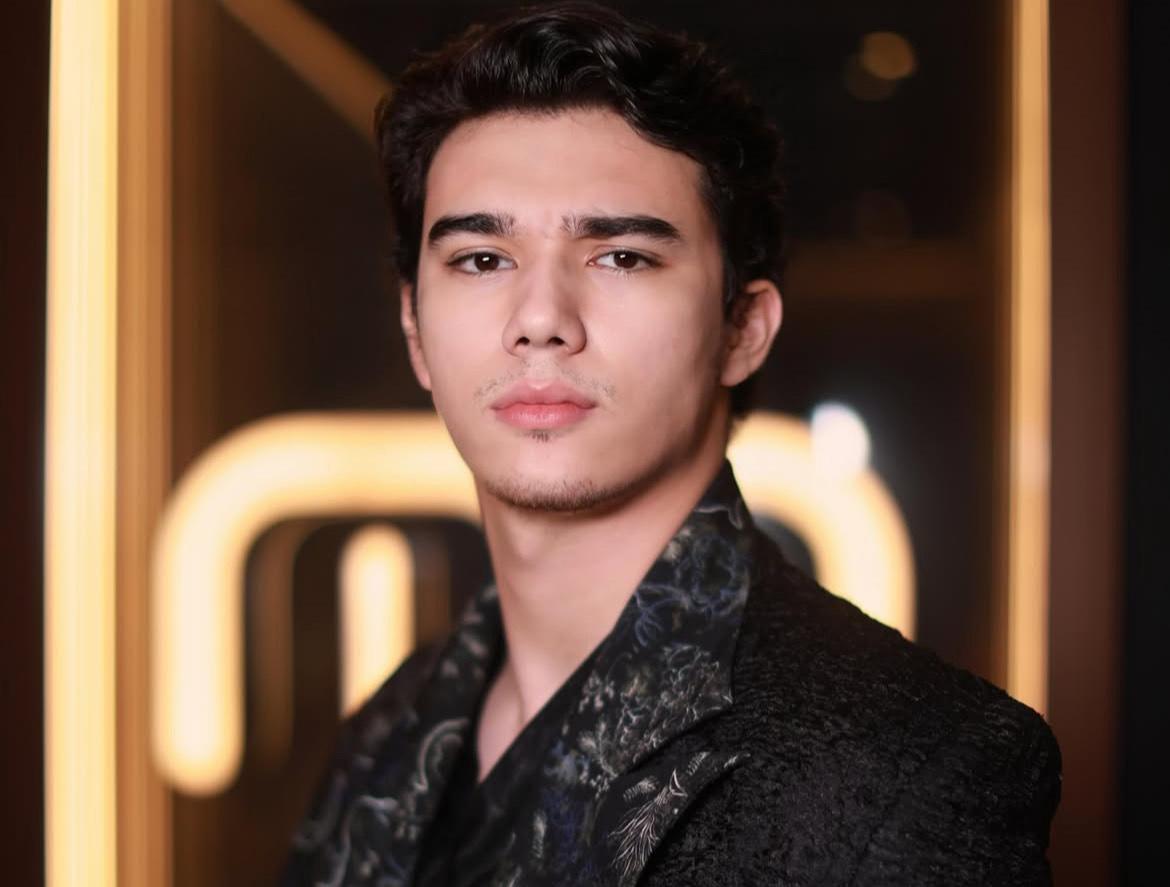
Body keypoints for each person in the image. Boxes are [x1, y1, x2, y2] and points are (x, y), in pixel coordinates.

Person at [280, 3, 1061, 884]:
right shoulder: (382, 732)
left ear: (743, 328)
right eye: (482, 259)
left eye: (621, 256)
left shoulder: (910, 768)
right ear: (415, 329)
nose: (541, 319)